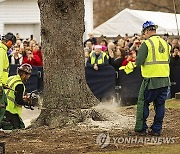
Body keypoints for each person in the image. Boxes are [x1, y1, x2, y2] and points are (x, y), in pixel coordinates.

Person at [134, 21, 171, 136]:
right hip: (165, 79)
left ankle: (141, 129)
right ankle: (156, 129)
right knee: (160, 105)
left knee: (143, 103)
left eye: (143, 33)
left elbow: (139, 62)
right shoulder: (165, 44)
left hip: (151, 80)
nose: (143, 35)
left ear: (146, 31)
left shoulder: (146, 44)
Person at [1, 64, 34, 130]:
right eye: (28, 75)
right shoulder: (19, 85)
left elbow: (11, 93)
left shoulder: (11, 78)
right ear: (24, 74)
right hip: (11, 111)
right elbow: (18, 101)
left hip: (3, 106)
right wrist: (28, 103)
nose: (29, 77)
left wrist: (23, 97)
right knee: (19, 128)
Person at [0, 32, 16, 124]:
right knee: (2, 105)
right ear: (9, 42)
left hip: (2, 84)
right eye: (12, 44)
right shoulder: (2, 51)